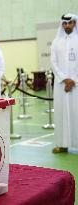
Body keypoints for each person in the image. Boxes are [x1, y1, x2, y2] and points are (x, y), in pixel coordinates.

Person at [51, 13, 78, 153]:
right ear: (62, 25)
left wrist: (73, 80)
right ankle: (62, 144)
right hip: (61, 85)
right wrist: (65, 79)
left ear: (74, 23)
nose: (67, 26)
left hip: (76, 84)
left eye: (70, 23)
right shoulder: (56, 42)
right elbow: (53, 63)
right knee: (61, 114)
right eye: (65, 23)